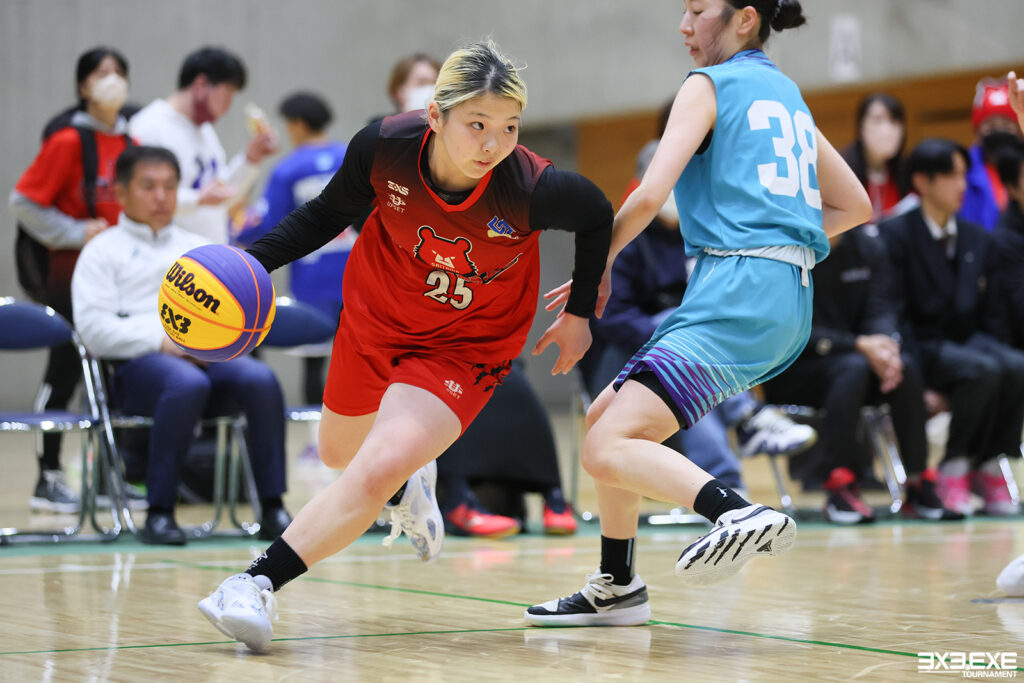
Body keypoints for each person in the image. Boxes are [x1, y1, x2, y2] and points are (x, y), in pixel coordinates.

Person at [196, 40, 612, 650]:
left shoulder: (530, 186)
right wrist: (249, 264)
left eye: (509, 127)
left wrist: (579, 314)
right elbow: (325, 215)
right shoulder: (384, 147)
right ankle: (408, 484)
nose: (493, 144)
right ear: (436, 116)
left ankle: (251, 583)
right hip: (376, 316)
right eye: (477, 125)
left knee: (371, 469)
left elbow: (598, 213)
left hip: (465, 345)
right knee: (339, 453)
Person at [526, 0, 871, 627]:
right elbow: (856, 205)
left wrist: (595, 269)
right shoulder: (788, 94)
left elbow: (647, 195)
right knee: (605, 416)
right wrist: (778, 243)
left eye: (699, 10)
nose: (685, 25)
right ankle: (618, 583)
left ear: (744, 18)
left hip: (737, 291)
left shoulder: (707, 84)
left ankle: (733, 510)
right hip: (788, 298)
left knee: (605, 444)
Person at [70, 145, 293, 545]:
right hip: (137, 371)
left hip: (207, 362)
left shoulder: (201, 250)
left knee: (259, 379)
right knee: (186, 382)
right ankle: (159, 513)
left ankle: (273, 507)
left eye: (170, 186)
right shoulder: (100, 251)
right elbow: (92, 329)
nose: (161, 196)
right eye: (148, 186)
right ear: (120, 193)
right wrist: (164, 341)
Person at [764, 224, 964, 523]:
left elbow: (881, 307)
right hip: (794, 369)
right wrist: (858, 344)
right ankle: (839, 485)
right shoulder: (785, 250)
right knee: (852, 368)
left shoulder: (867, 247)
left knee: (904, 366)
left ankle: (917, 481)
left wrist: (884, 348)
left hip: (857, 362)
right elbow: (789, 329)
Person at [8, 46, 134, 513]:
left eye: (119, 72)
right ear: (83, 86)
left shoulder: (132, 143)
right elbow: (23, 202)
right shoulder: (66, 141)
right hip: (71, 278)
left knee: (110, 379)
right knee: (63, 372)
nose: (112, 81)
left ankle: (103, 478)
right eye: (102, 73)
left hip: (119, 279)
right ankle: (48, 477)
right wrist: (75, 231)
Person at [879, 138, 1024, 517]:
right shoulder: (895, 236)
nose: (962, 185)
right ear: (922, 181)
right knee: (982, 369)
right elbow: (893, 312)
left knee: (1015, 365)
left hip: (968, 342)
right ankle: (954, 467)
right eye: (951, 176)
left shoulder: (977, 238)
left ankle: (987, 461)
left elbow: (993, 314)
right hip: (923, 346)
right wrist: (919, 384)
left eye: (964, 175)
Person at [234, 91, 351, 415]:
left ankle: (318, 434)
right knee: (359, 361)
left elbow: (269, 222)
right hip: (357, 275)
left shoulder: (288, 170)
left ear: (297, 124)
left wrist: (234, 229)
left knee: (315, 362)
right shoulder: (350, 156)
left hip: (313, 280)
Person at [128, 46, 278, 244]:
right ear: (201, 85)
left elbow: (221, 197)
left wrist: (251, 158)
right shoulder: (149, 127)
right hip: (171, 257)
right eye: (228, 94)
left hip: (209, 251)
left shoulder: (204, 131)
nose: (228, 106)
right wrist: (197, 198)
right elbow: (143, 199)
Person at [960, 78, 1023, 231]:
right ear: (978, 131)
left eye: (1007, 126)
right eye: (992, 127)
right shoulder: (962, 170)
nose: (999, 132)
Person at [841, 92, 908, 225]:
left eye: (894, 121)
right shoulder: (843, 170)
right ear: (861, 127)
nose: (887, 130)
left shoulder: (905, 175)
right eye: (878, 120)